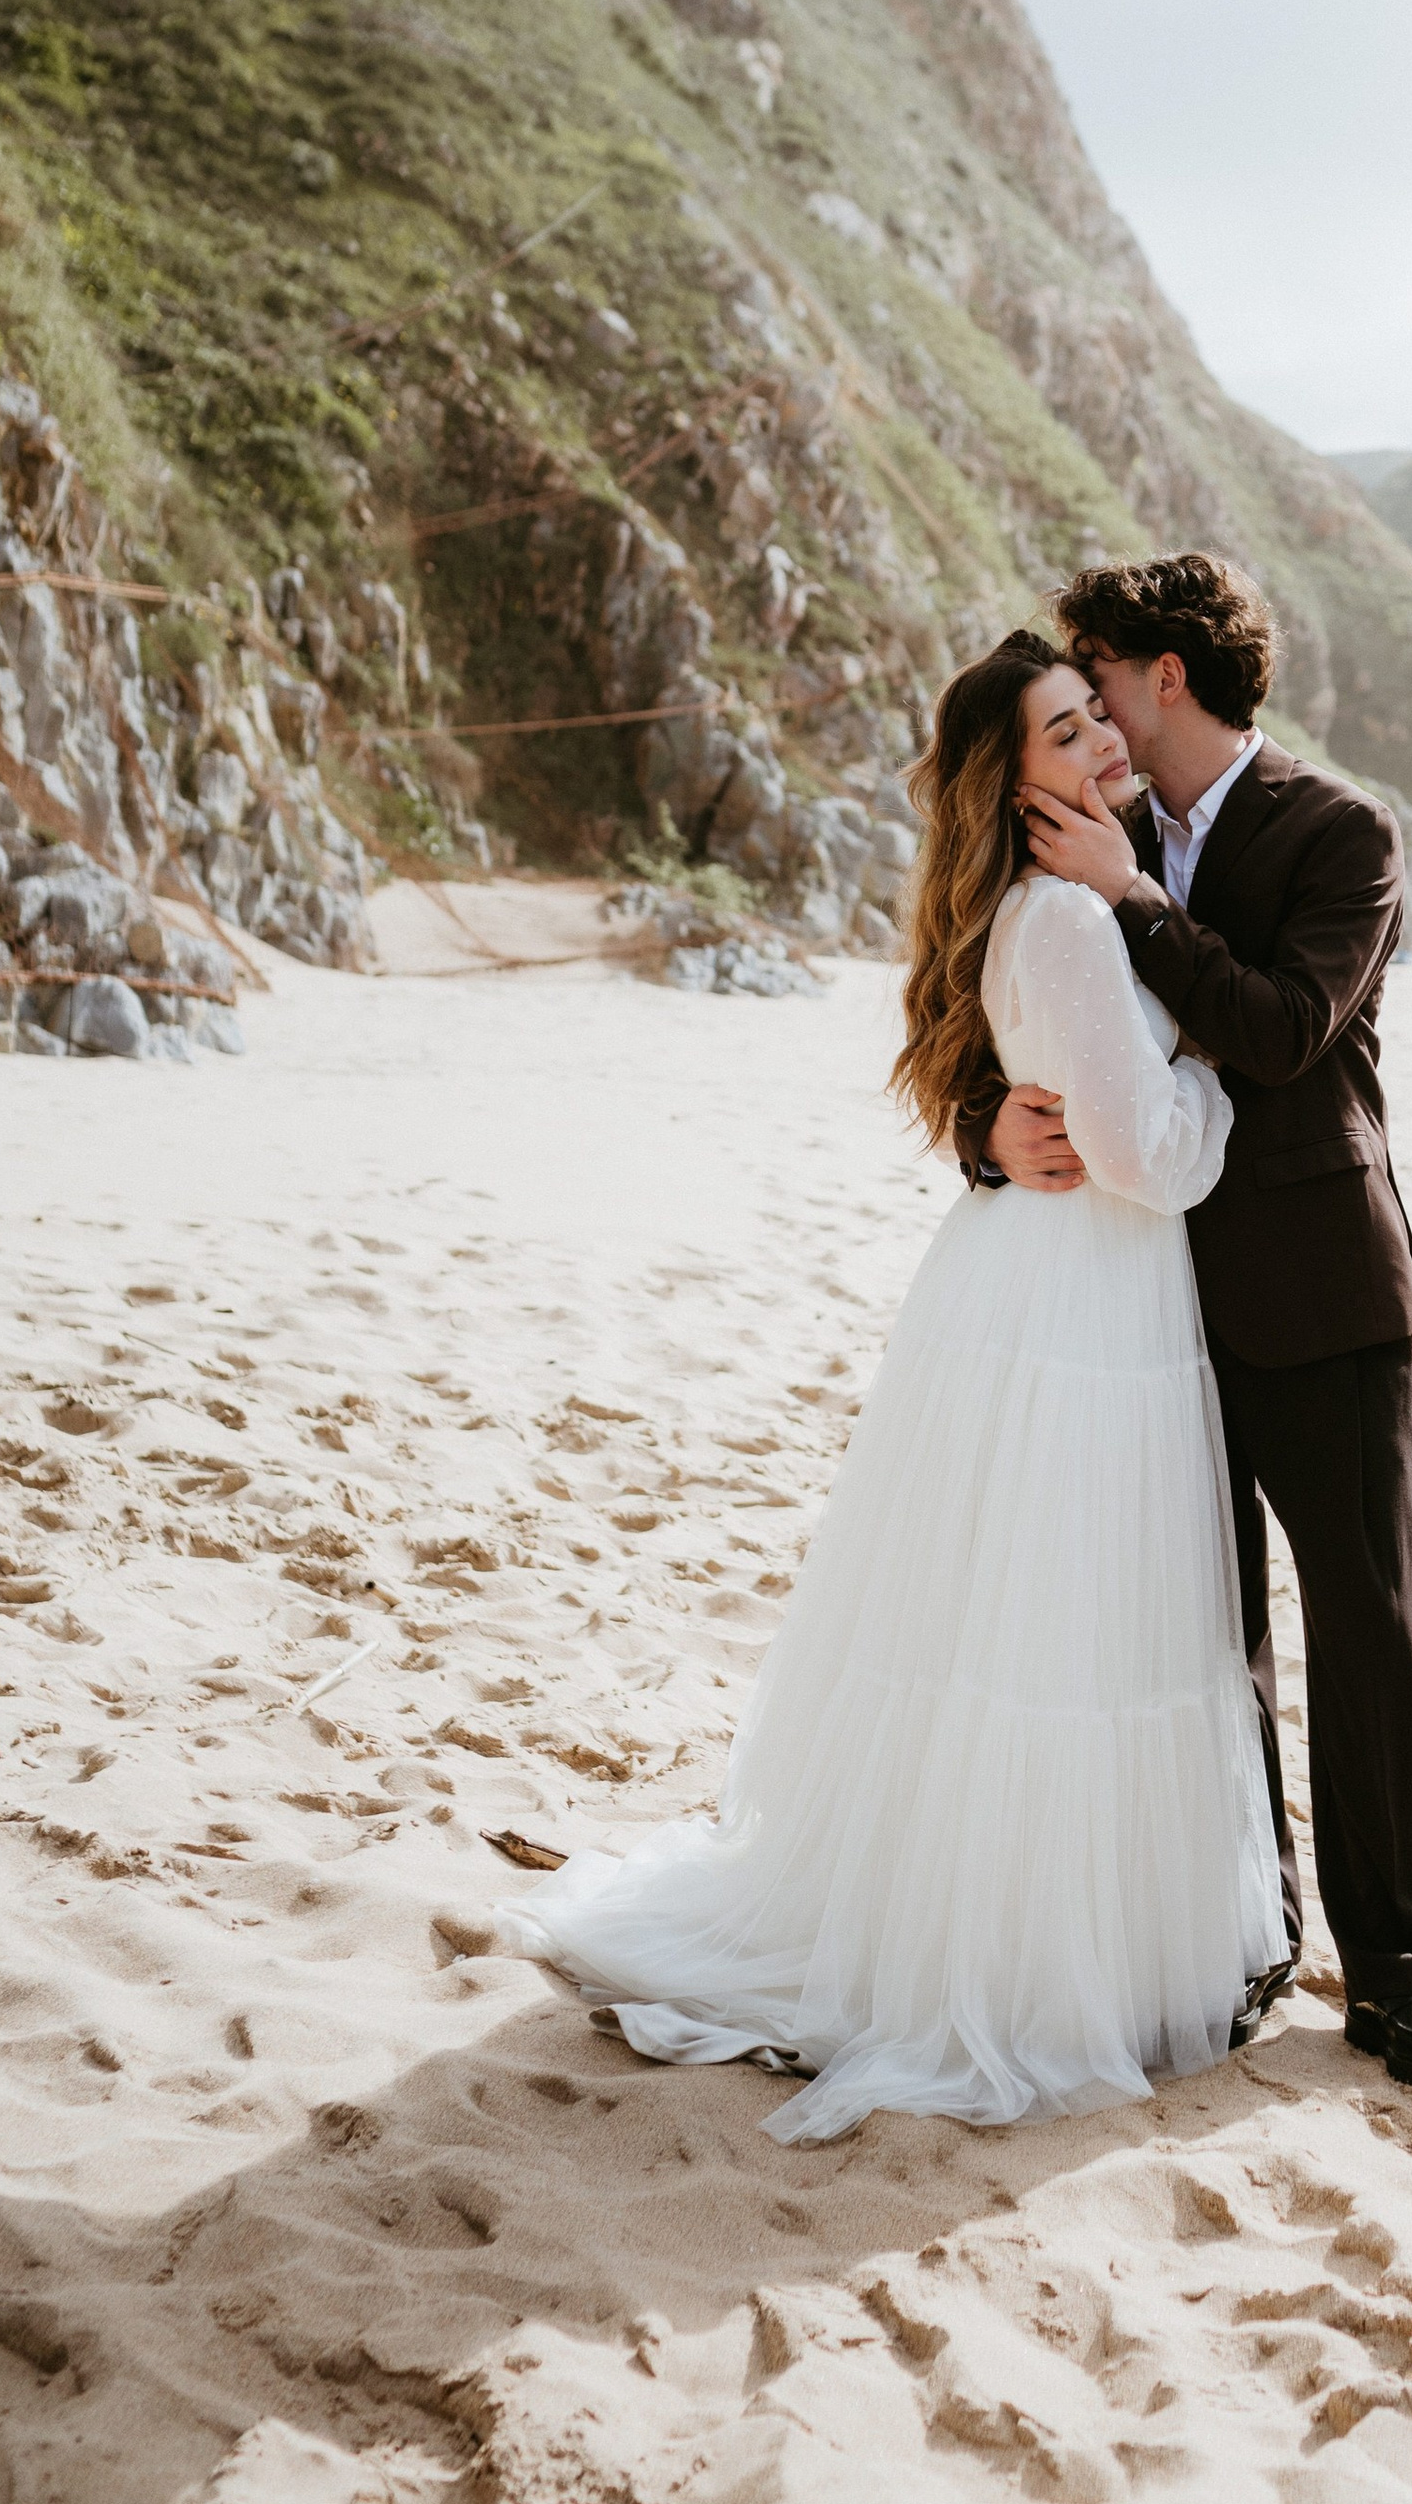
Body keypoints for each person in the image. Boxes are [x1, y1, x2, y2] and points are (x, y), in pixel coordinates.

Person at [497, 631, 1285, 2139]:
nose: (1103, 745)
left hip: (1044, 1282)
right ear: (1022, 784)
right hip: (1089, 1293)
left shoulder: (1055, 904)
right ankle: (1029, 1965)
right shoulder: (1064, 919)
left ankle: (1040, 1936)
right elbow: (1148, 1158)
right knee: (1060, 1629)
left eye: (1096, 718)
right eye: (1067, 736)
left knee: (1030, 1622)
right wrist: (1220, 1080)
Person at [969, 550, 1412, 2091]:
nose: (1099, 722)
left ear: (1163, 676)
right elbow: (997, 1010)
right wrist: (986, 1131)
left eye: (1102, 682)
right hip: (1148, 1310)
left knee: (1371, 1629)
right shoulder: (1078, 840)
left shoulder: (1342, 831)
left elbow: (1274, 1033)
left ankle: (1407, 1971)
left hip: (1326, 1301)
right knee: (1205, 1642)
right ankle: (1237, 1935)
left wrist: (1131, 903)